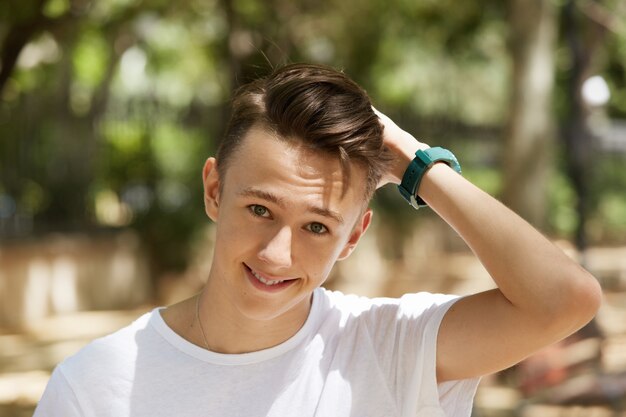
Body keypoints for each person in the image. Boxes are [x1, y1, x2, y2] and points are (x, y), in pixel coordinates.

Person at [33, 63, 601, 417]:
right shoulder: (96, 386)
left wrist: (412, 159)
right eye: (259, 209)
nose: (277, 254)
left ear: (354, 234)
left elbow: (565, 299)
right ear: (213, 190)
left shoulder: (390, 351)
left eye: (316, 226)